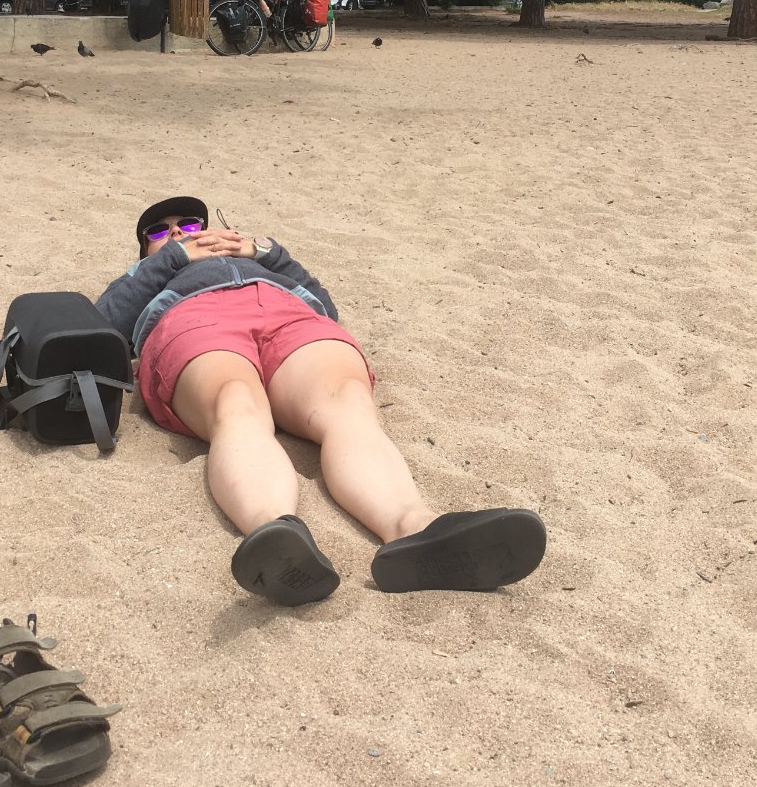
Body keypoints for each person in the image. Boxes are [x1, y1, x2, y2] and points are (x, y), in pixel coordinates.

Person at [96, 196, 547, 606]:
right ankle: (275, 534)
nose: (176, 232)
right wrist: (174, 259)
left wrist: (265, 253)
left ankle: (415, 528)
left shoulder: (258, 261)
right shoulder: (149, 273)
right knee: (236, 405)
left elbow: (324, 305)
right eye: (158, 232)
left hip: (288, 316)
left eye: (189, 223)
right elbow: (107, 320)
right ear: (145, 251)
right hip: (194, 317)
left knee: (348, 401)